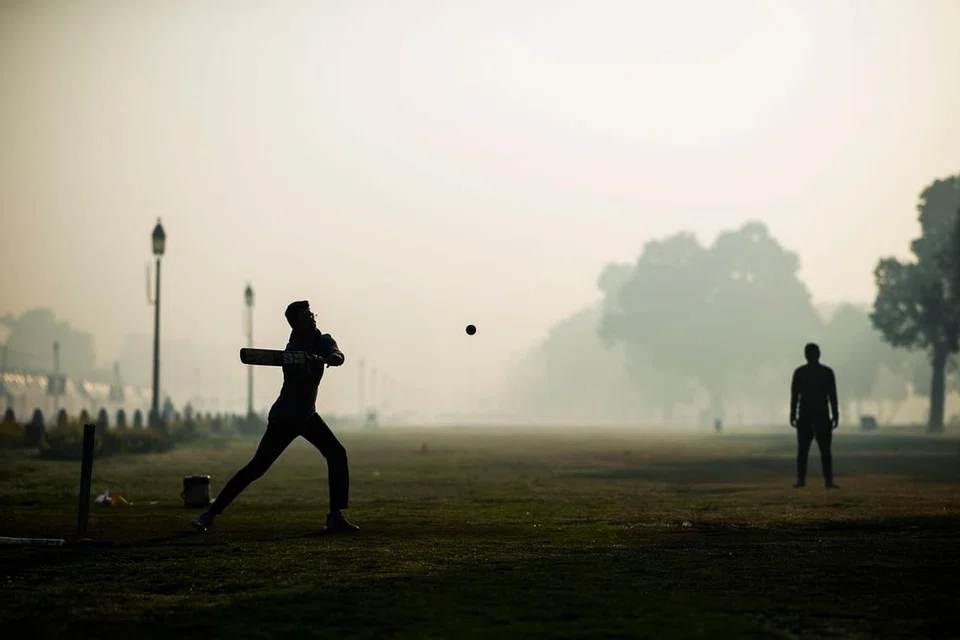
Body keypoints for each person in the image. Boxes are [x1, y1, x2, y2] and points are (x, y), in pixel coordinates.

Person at [192, 300, 359, 533]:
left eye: (311, 314)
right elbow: (298, 380)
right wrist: (306, 361)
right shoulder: (291, 351)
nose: (311, 317)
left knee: (337, 454)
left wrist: (331, 358)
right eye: (305, 315)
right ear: (295, 323)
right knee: (256, 468)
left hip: (308, 416)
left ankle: (335, 516)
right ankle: (209, 514)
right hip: (285, 418)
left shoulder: (323, 340)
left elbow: (337, 354)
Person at [789, 342, 839, 489]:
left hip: (806, 414)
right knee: (824, 450)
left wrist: (792, 414)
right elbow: (832, 396)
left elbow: (795, 396)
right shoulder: (826, 372)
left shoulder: (800, 372)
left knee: (804, 450)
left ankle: (802, 480)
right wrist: (835, 414)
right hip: (821, 415)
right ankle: (827, 480)